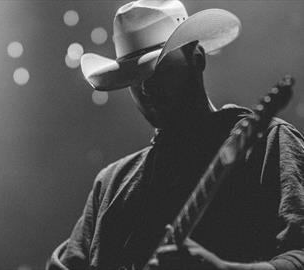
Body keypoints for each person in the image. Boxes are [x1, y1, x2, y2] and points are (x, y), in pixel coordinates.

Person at [47, 1, 304, 269]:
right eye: (134, 77)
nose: (145, 89)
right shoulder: (110, 183)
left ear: (197, 58)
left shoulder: (267, 142)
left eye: (158, 70)